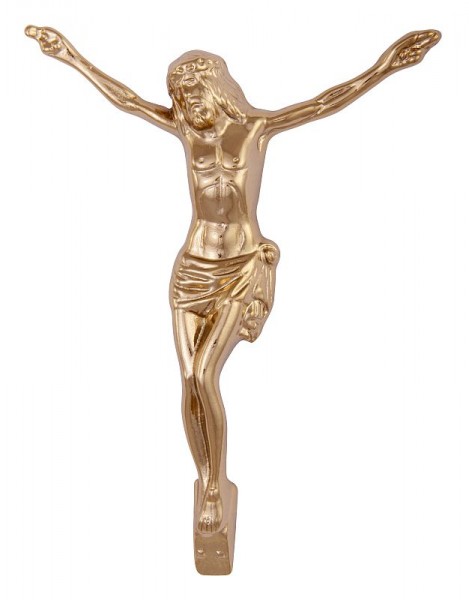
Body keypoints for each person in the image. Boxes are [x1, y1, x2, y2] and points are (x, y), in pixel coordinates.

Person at [25, 26, 440, 538]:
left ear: (216, 88)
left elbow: (325, 102)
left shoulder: (256, 129)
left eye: (193, 92)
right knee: (188, 381)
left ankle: (214, 489)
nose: (186, 104)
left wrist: (386, 66)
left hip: (239, 267)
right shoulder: (185, 132)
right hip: (191, 267)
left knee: (204, 375)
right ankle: (208, 477)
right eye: (179, 96)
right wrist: (69, 56)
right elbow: (127, 100)